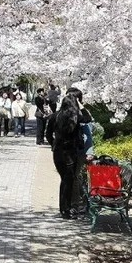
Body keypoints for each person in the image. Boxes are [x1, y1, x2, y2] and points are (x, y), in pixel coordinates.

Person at [52, 90, 82, 219]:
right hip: (70, 153)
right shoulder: (76, 118)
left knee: (64, 180)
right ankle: (66, 209)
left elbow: (48, 134)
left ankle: (64, 208)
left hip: (58, 152)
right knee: (68, 181)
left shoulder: (55, 116)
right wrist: (81, 106)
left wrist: (54, 144)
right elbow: (88, 118)